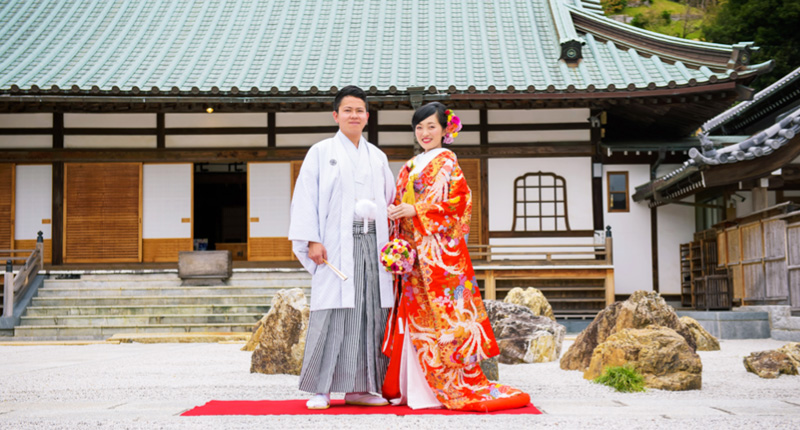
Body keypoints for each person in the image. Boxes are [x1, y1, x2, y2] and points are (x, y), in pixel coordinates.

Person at [382, 102, 530, 412]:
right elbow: (399, 204)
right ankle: (416, 389)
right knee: (416, 320)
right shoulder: (409, 166)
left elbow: (459, 208)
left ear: (446, 130)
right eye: (419, 127)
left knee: (446, 322)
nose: (425, 133)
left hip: (440, 259)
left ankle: (447, 386)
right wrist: (395, 220)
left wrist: (417, 210)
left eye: (431, 127)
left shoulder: (449, 162)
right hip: (414, 257)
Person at [288, 86, 396, 410]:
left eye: (359, 110)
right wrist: (312, 239)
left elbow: (389, 200)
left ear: (367, 116)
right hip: (335, 243)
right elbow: (306, 197)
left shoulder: (377, 157)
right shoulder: (321, 152)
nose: (354, 115)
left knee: (370, 313)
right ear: (336, 115)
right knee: (333, 313)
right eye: (347, 110)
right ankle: (322, 389)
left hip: (373, 243)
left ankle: (361, 387)